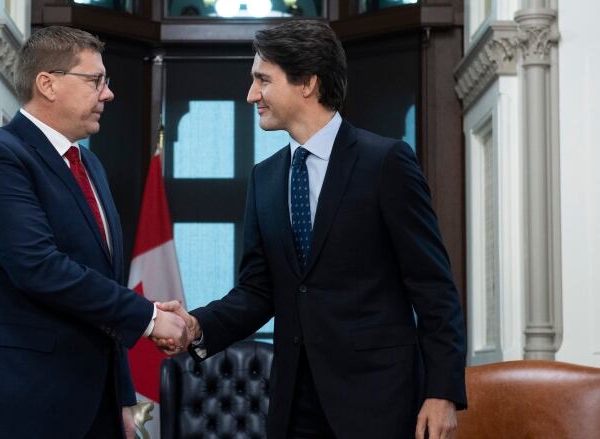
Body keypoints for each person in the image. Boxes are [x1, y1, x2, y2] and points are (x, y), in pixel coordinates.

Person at [157, 20, 467, 439]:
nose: (252, 94)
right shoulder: (265, 179)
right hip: (294, 403)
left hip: (379, 401)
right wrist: (197, 326)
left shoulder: (386, 163)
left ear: (307, 82)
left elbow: (433, 287)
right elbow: (257, 290)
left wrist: (442, 391)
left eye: (262, 80)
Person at [0, 26, 188, 439]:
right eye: (96, 80)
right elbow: (39, 267)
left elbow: (102, 286)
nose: (108, 94)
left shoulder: (90, 166)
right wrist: (150, 317)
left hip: (93, 407)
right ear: (47, 84)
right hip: (17, 404)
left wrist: (122, 397)